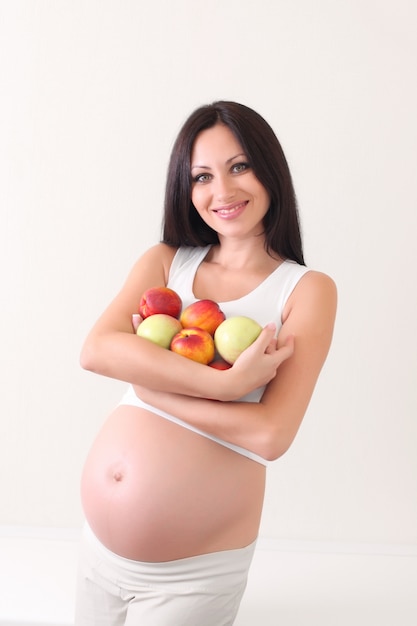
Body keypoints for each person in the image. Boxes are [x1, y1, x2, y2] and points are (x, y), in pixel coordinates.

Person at [75, 100, 337, 626]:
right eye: (202, 176)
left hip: (192, 576)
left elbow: (270, 436)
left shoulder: (305, 290)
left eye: (239, 166)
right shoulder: (167, 261)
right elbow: (97, 350)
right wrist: (221, 387)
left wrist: (153, 388)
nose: (223, 191)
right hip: (96, 554)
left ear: (270, 169)